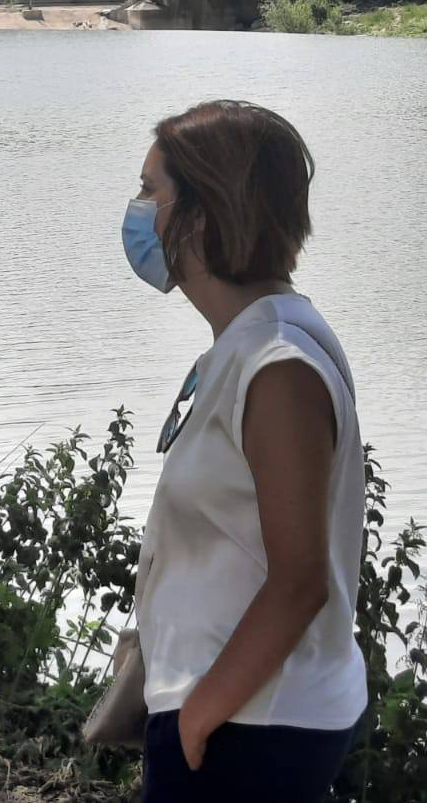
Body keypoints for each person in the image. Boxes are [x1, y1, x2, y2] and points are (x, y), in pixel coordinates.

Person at [123, 100, 368, 803]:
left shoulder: (279, 365)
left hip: (253, 725)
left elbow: (300, 580)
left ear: (202, 214)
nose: (139, 211)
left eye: (150, 191)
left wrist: (200, 717)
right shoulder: (251, 340)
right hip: (238, 711)